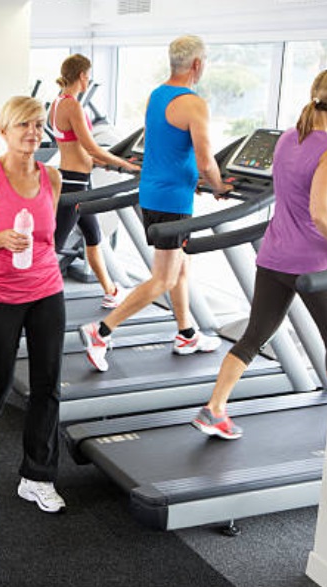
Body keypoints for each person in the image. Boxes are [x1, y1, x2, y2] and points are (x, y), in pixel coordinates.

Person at [192, 70, 327, 440]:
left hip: (274, 255)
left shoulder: (287, 138)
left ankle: (214, 408)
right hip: (313, 264)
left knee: (254, 336)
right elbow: (320, 212)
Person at [80, 35, 230, 373]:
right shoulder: (194, 104)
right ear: (197, 64)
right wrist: (219, 187)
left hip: (153, 194)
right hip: (173, 200)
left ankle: (186, 333)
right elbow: (206, 162)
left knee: (180, 266)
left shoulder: (157, 95)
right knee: (163, 277)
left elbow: (168, 149)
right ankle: (101, 332)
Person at [0, 96, 66, 514]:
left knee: (47, 385)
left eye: (38, 125)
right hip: (0, 294)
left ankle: (37, 477)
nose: (33, 133)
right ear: (3, 130)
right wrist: (0, 239)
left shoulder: (51, 178)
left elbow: (47, 239)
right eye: (23, 125)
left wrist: (38, 261)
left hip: (46, 290)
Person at [50, 53, 140, 308]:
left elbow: (75, 147)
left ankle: (111, 290)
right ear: (82, 76)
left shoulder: (57, 103)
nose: (88, 80)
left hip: (76, 179)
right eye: (88, 76)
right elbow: (91, 147)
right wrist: (125, 164)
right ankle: (31, 297)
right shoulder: (72, 105)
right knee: (54, 245)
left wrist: (107, 163)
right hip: (75, 184)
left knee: (94, 236)